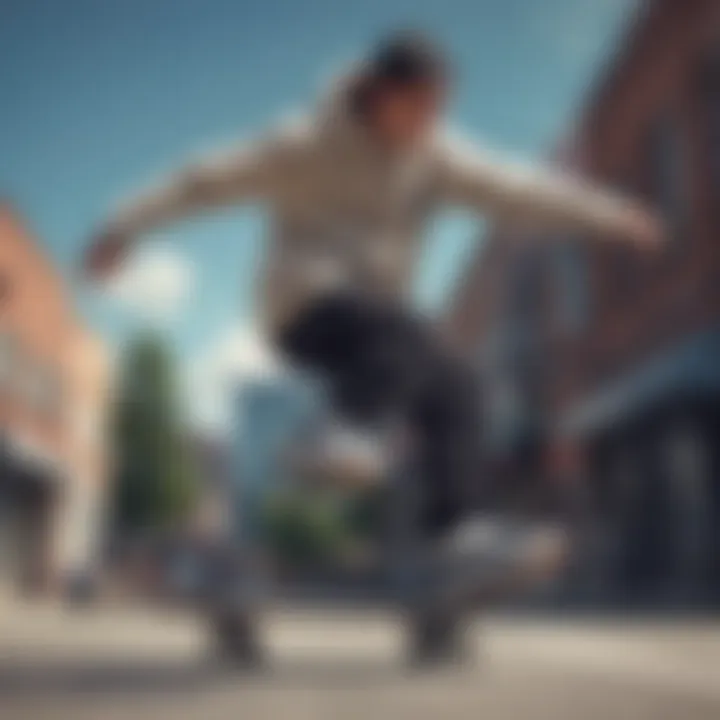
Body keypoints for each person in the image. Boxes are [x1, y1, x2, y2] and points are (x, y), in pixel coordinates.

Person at [84, 31, 661, 660]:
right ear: (378, 94)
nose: (426, 124)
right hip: (305, 306)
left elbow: (519, 190)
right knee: (400, 335)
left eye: (436, 110)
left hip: (380, 327)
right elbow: (206, 178)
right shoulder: (305, 143)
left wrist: (612, 216)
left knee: (457, 385)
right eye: (415, 108)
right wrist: (123, 225)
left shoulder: (435, 156)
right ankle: (344, 433)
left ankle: (454, 546)